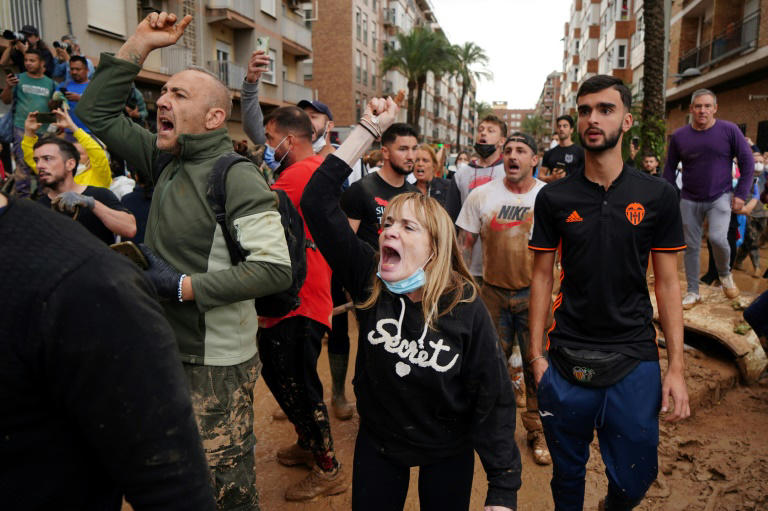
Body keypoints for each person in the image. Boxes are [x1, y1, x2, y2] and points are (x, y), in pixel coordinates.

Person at [76, 12, 293, 510]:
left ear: (215, 118)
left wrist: (181, 288)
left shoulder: (235, 176)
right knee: (174, 477)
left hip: (213, 360)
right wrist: (139, 43)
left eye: (179, 95)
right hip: (160, 346)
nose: (162, 101)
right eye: (164, 92)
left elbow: (274, 269)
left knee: (221, 487)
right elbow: (98, 113)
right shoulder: (165, 158)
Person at [301, 96, 521, 511]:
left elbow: (492, 396)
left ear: (435, 249)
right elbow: (316, 201)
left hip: (447, 449)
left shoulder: (465, 304)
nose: (389, 233)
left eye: (407, 226)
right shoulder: (369, 276)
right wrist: (367, 129)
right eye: (386, 225)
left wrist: (503, 490)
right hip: (380, 444)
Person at [528, 75, 690, 510]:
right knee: (567, 476)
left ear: (627, 120)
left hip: (634, 354)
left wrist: (675, 367)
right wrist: (536, 356)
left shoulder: (657, 195)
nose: (592, 119)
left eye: (605, 109)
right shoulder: (555, 198)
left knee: (635, 480)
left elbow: (669, 282)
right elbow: (542, 276)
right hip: (565, 355)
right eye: (585, 111)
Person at [0, 192, 216, 511]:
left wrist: (183, 287)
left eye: (50, 158)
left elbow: (171, 484)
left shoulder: (83, 282)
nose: (41, 165)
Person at [256, 106, 346, 501]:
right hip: (300, 295)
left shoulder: (296, 177)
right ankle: (309, 444)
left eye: (270, 139)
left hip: (298, 298)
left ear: (288, 141)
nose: (266, 147)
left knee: (299, 382)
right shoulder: (309, 171)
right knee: (283, 376)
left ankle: (328, 467)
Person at [456, 131, 551, 467]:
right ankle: (495, 431)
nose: (513, 156)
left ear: (534, 159)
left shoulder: (549, 198)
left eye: (521, 150)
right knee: (490, 365)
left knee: (536, 364)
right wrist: (461, 288)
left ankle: (537, 428)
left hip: (536, 296)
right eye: (508, 150)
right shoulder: (481, 196)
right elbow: (463, 247)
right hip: (491, 294)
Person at [662, 88, 754, 308]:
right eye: (698, 106)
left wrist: (741, 194)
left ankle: (725, 275)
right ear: (692, 109)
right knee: (691, 246)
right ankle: (693, 291)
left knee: (717, 238)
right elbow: (669, 168)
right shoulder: (680, 136)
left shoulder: (729, 130)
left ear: (715, 108)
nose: (702, 110)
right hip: (689, 198)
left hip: (720, 196)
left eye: (707, 106)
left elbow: (748, 163)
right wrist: (669, 195)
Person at [33, 136, 136, 244]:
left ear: (70, 164)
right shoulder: (38, 207)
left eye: (47, 159)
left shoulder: (99, 195)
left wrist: (92, 203)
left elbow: (129, 229)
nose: (39, 165)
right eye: (36, 160)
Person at [445, 115, 507, 282]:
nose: (483, 134)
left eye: (490, 131)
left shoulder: (510, 173)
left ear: (502, 141)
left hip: (501, 268)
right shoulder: (461, 174)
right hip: (467, 268)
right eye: (480, 130)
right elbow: (451, 219)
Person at [1, 48, 55, 197]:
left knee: (44, 165)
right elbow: (6, 100)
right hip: (21, 127)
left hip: (43, 130)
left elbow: (53, 108)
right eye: (26, 60)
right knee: (22, 165)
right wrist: (8, 86)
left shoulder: (50, 83)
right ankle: (22, 201)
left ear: (41, 63)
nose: (28, 64)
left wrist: (55, 101)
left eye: (32, 60)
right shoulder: (19, 78)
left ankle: (44, 199)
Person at [22, 108, 111, 188]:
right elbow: (33, 158)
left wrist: (72, 126)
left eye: (79, 154)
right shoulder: (58, 174)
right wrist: (29, 132)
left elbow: (97, 153)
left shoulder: (99, 176)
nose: (74, 157)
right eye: (71, 153)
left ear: (90, 159)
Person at [734, 152, 766, 277]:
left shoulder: (765, 177)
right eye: (755, 162)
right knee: (752, 239)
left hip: (763, 214)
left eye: (761, 162)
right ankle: (757, 267)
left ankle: (738, 261)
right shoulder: (744, 177)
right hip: (748, 212)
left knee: (752, 240)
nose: (758, 165)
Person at [539, 115, 585, 183]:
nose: (561, 128)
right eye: (559, 126)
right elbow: (540, 176)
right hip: (554, 192)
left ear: (571, 130)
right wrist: (551, 178)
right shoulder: (549, 153)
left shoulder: (581, 152)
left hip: (573, 192)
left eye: (565, 126)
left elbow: (587, 177)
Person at [56, 55, 91, 134]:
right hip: (67, 131)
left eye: (78, 69)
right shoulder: (64, 85)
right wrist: (56, 100)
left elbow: (99, 107)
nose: (74, 72)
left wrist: (80, 99)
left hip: (88, 132)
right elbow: (52, 107)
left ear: (87, 70)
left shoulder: (94, 87)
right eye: (72, 69)